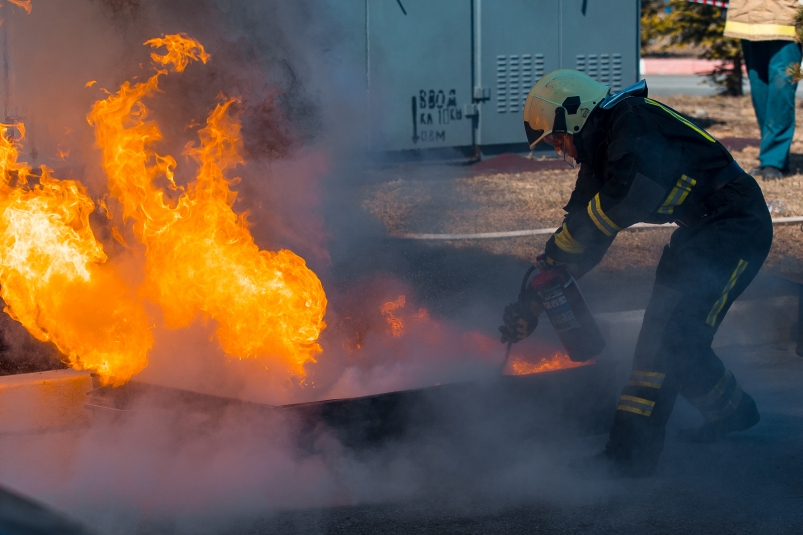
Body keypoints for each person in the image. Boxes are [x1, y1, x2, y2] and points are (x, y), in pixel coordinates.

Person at [500, 70, 773, 477]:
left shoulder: (633, 125)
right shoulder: (605, 147)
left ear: (573, 115)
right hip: (702, 231)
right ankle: (732, 411)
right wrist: (534, 301)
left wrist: (565, 244)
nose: (564, 152)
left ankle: (628, 458)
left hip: (734, 228)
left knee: (666, 343)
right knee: (681, 339)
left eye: (559, 140)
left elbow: (624, 200)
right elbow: (583, 232)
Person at [724, 0, 802, 180]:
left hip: (787, 19)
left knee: (781, 92)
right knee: (761, 92)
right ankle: (773, 155)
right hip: (748, 19)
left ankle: (773, 161)